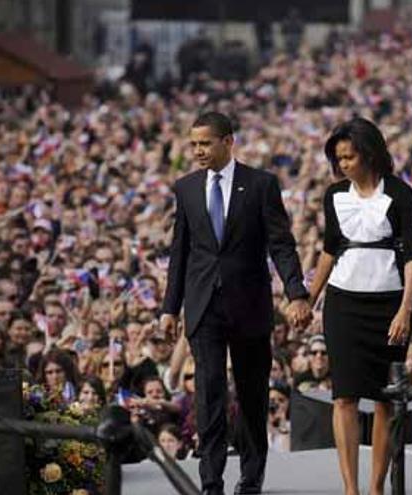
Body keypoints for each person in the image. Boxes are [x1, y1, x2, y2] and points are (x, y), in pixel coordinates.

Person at [159, 112, 312, 495]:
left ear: (229, 142)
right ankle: (210, 483)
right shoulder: (187, 188)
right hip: (203, 305)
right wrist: (168, 308)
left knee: (251, 395)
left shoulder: (260, 185)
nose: (198, 151)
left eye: (205, 143)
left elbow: (281, 243)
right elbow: (180, 253)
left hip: (249, 305)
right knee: (209, 394)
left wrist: (296, 292)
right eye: (193, 144)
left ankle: (251, 478)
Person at [307, 117, 412, 495]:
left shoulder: (401, 194)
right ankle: (351, 489)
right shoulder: (334, 196)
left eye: (349, 156)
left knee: (384, 398)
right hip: (342, 301)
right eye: (338, 158)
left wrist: (406, 308)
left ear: (369, 153)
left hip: (388, 303)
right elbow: (329, 250)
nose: (343, 165)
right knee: (344, 396)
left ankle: (376, 487)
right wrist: (309, 299)